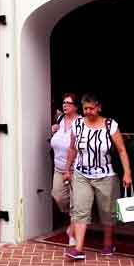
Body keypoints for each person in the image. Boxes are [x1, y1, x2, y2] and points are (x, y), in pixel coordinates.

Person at [63, 93, 132, 260]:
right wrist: (67, 169)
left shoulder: (110, 125)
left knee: (107, 211)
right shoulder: (77, 124)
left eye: (91, 108)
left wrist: (127, 173)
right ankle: (78, 248)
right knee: (80, 209)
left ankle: (108, 244)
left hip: (106, 175)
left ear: (99, 108)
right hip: (81, 174)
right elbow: (72, 148)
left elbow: (122, 150)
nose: (88, 111)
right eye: (85, 108)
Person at [50, 93, 80, 245]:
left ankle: (72, 233)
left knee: (76, 202)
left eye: (69, 103)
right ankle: (77, 217)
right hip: (59, 168)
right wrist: (53, 129)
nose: (65, 105)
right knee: (58, 195)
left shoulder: (81, 122)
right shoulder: (60, 120)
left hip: (76, 169)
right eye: (64, 102)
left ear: (76, 106)